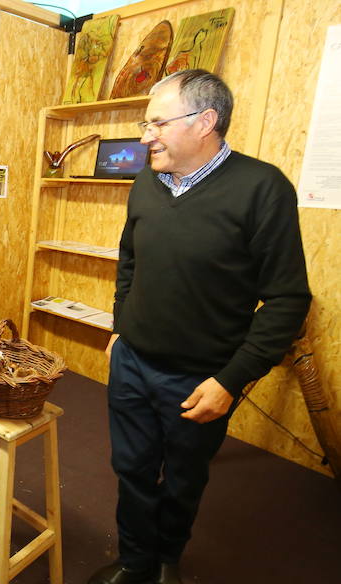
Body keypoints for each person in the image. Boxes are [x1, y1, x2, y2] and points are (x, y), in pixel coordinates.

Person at [88, 69, 311, 584]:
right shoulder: (146, 182)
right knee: (132, 470)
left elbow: (286, 300)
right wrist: (123, 328)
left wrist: (231, 381)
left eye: (156, 123)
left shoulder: (263, 188)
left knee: (183, 479)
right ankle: (134, 560)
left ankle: (167, 561)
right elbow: (129, 262)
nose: (146, 136)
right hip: (131, 364)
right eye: (147, 125)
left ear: (205, 121)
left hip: (201, 379)